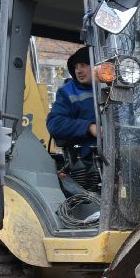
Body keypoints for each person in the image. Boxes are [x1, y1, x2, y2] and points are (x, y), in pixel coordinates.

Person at [47, 47, 100, 191]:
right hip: (86, 161)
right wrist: (89, 127)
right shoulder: (68, 92)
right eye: (76, 67)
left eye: (83, 65)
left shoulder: (113, 89)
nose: (78, 71)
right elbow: (54, 124)